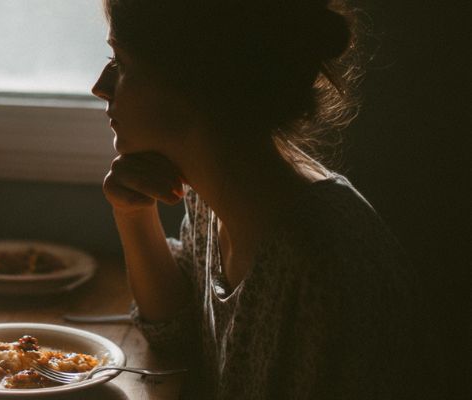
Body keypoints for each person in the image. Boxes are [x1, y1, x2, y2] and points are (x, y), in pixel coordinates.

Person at [91, 0, 429, 398]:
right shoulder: (215, 197)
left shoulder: (318, 266)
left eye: (123, 64)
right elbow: (175, 332)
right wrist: (133, 214)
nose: (100, 85)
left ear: (194, 83)